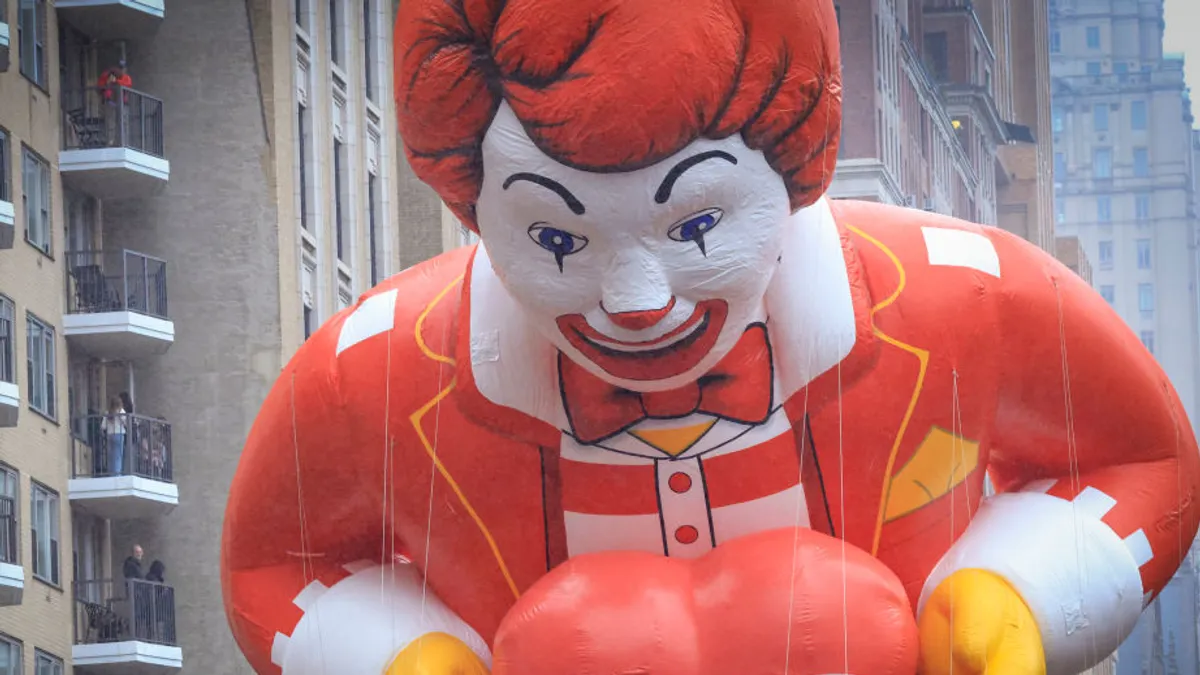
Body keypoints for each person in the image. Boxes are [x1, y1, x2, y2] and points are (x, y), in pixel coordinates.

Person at [222, 1, 1200, 674]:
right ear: (475, 209)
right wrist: (412, 654)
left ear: (794, 165)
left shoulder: (957, 299)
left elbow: (1143, 454)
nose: (637, 302)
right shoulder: (381, 376)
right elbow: (272, 561)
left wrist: (1011, 591)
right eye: (559, 239)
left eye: (695, 226)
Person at [101, 397, 127, 476]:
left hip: (110, 435)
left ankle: (111, 474)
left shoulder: (108, 412)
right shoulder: (121, 411)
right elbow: (125, 423)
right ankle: (117, 474)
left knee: (111, 455)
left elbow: (103, 426)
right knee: (118, 455)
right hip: (118, 434)